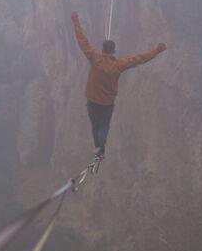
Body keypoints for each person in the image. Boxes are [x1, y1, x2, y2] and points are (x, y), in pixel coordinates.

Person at [71, 12, 167, 159]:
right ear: (113, 51)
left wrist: (76, 22)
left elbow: (83, 42)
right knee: (103, 126)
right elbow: (138, 59)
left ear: (102, 49)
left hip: (92, 102)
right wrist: (156, 51)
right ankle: (100, 149)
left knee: (95, 126)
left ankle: (99, 149)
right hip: (107, 104)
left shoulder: (95, 59)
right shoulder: (118, 65)